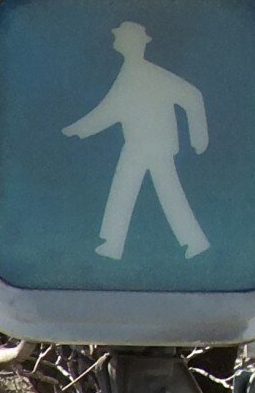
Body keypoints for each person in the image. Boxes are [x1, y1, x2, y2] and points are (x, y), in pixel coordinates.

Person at [62, 20, 212, 260]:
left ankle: (192, 242)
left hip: (155, 146)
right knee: (130, 188)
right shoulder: (130, 72)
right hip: (138, 145)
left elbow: (192, 96)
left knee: (156, 191)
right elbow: (110, 110)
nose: (116, 39)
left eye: (120, 36)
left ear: (131, 42)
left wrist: (199, 136)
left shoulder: (147, 73)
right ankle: (113, 244)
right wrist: (79, 129)